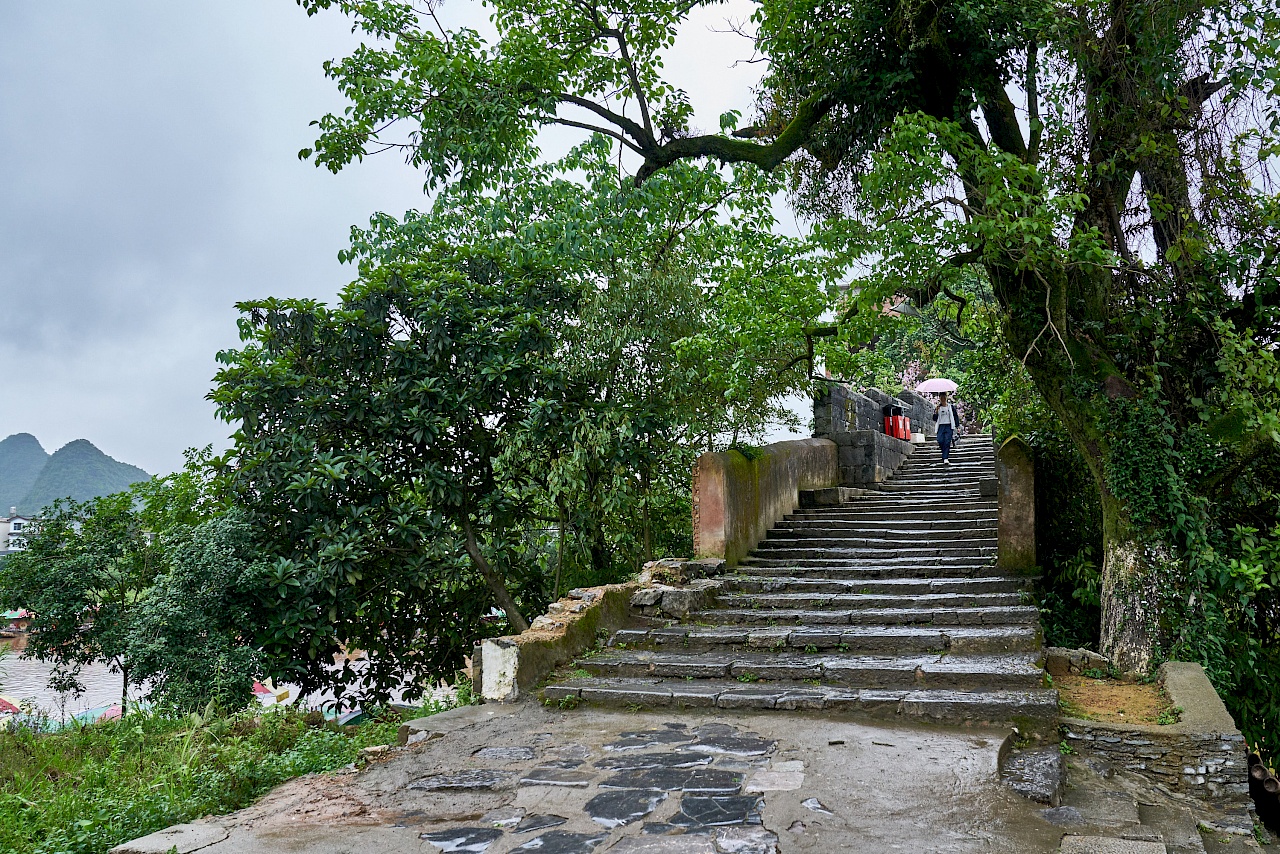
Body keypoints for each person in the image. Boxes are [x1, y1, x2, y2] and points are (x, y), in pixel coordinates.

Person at [932, 392, 961, 464]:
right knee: (940, 440)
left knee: (947, 442)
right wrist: (936, 412)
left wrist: (957, 426)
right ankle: (944, 454)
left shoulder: (950, 407)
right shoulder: (938, 407)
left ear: (946, 398)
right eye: (941, 398)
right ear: (940, 399)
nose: (943, 399)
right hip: (941, 426)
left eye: (944, 397)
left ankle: (945, 458)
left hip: (949, 426)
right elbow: (934, 418)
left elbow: (955, 416)